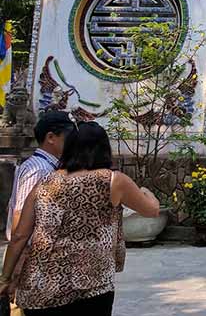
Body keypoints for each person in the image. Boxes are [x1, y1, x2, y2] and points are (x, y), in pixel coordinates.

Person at [0, 121, 158, 315]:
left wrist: (6, 278)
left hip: (41, 286)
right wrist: (147, 192)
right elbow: (151, 211)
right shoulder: (112, 180)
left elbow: (19, 236)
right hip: (92, 285)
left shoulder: (46, 181)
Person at [3, 111, 73, 316]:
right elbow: (20, 222)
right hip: (28, 259)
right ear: (51, 137)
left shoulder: (48, 167)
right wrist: (14, 271)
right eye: (67, 138)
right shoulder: (39, 170)